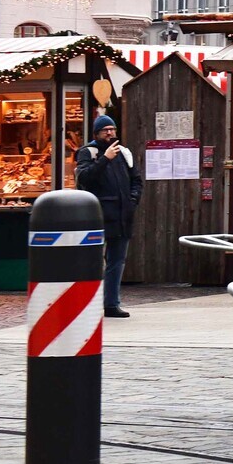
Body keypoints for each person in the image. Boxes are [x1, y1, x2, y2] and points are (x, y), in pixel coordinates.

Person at [75, 114, 142, 318]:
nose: (110, 133)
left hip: (122, 215)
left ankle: (111, 304)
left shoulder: (124, 153)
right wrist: (105, 159)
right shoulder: (88, 152)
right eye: (106, 130)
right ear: (97, 133)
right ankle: (85, 303)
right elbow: (85, 178)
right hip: (97, 215)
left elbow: (136, 180)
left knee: (117, 261)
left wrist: (132, 201)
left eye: (112, 129)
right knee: (90, 261)